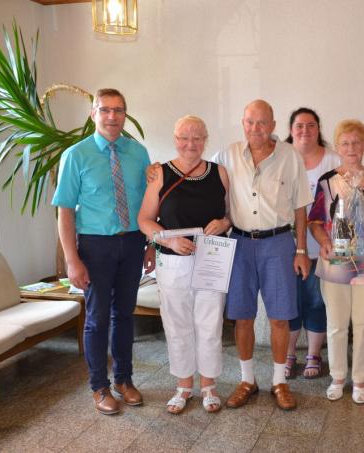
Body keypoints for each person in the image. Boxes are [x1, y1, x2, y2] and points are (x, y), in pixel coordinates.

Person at [52, 88, 153, 415]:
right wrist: (72, 259)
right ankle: (99, 386)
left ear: (125, 114)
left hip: (133, 241)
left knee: (125, 314)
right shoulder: (76, 155)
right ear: (93, 114)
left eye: (119, 110)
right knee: (96, 319)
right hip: (95, 246)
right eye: (105, 110)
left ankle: (124, 380)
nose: (112, 117)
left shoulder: (138, 153)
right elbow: (65, 211)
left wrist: (150, 244)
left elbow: (148, 204)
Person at [211, 99, 313, 411]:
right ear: (243, 123)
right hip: (240, 243)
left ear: (273, 125)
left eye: (262, 123)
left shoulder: (289, 156)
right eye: (250, 122)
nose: (256, 128)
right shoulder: (226, 155)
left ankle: (279, 382)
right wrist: (156, 172)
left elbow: (300, 207)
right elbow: (200, 179)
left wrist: (301, 250)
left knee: (280, 316)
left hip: (278, 243)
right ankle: (247, 380)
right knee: (242, 316)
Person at [137, 115, 231, 414]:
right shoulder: (161, 174)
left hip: (212, 259)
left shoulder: (220, 173)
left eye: (197, 137)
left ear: (206, 140)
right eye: (184, 138)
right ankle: (183, 385)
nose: (191, 144)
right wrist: (167, 241)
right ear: (175, 139)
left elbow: (232, 215)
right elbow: (144, 219)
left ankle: (209, 386)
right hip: (174, 261)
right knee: (177, 323)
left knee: (210, 322)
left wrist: (223, 221)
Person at [308, 119, 364, 404]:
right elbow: (315, 222)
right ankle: (338, 377)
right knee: (336, 323)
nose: (351, 147)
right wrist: (324, 242)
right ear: (338, 146)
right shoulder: (327, 182)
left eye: (357, 142)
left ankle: (359, 380)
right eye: (345, 143)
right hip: (336, 264)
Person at [284, 107, 341, 380]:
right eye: (299, 126)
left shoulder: (333, 160)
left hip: (322, 245)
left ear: (319, 129)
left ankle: (314, 355)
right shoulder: (280, 158)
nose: (305, 130)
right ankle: (289, 354)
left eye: (311, 125)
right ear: (290, 130)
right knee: (289, 302)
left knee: (316, 301)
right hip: (285, 246)